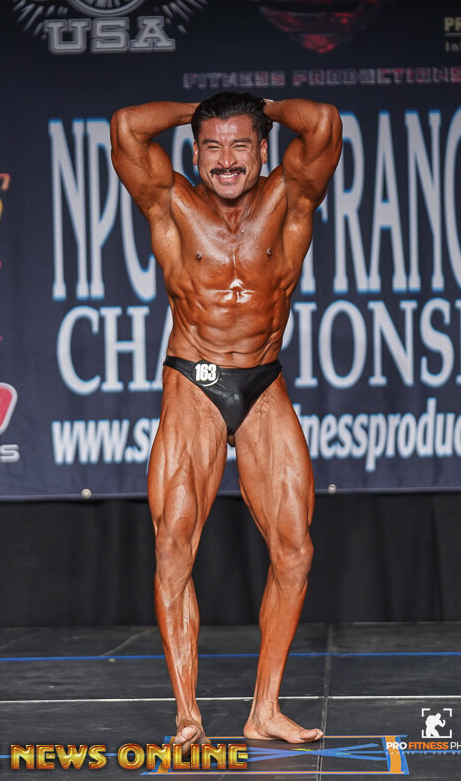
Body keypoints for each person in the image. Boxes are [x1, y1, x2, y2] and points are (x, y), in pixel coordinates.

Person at [110, 92, 342, 753]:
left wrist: (258, 105)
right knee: (173, 545)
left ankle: (264, 710)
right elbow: (126, 127)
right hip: (196, 377)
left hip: (262, 381)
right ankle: (188, 716)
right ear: (194, 153)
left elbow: (324, 122)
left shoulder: (291, 196)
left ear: (263, 150)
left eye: (241, 144)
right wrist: (201, 109)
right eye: (212, 146)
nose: (227, 159)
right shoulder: (171, 203)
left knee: (295, 549)